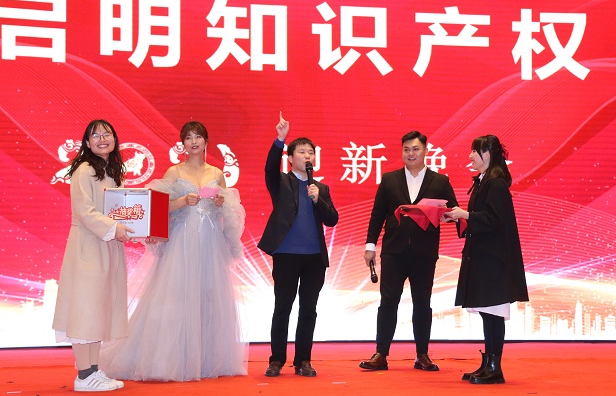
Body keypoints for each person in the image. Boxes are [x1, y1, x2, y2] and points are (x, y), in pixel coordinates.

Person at [99, 121, 247, 381]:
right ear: (182, 144)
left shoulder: (217, 173)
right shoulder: (174, 172)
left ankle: (207, 360)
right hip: (182, 241)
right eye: (188, 137)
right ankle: (169, 360)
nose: (194, 142)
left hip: (210, 242)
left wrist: (220, 203)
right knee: (176, 297)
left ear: (206, 142)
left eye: (198, 137)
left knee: (209, 297)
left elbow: (228, 211)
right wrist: (181, 201)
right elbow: (156, 208)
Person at [359, 131, 458, 372]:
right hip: (394, 250)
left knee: (422, 302)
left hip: (424, 252)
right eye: (406, 149)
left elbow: (453, 211)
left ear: (425, 151)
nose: (411, 153)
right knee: (388, 301)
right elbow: (377, 214)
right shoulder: (389, 179)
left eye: (415, 149)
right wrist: (370, 245)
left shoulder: (440, 181)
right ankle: (381, 354)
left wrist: (443, 214)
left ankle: (422, 355)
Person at [52, 119, 134, 392]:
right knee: (84, 310)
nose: (102, 139)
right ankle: (84, 375)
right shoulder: (84, 170)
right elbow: (85, 212)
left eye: (106, 134)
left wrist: (138, 227)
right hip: (88, 246)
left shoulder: (111, 171)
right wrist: (115, 228)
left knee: (98, 310)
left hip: (107, 246)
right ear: (87, 143)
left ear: (114, 139)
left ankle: (93, 370)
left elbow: (123, 209)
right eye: (95, 136)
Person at [258, 113, 339, 378]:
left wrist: (318, 199)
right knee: (282, 307)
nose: (307, 156)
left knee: (308, 310)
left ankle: (303, 360)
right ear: (290, 158)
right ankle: (276, 360)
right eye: (302, 152)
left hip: (314, 258)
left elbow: (332, 219)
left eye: (310, 152)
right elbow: (270, 167)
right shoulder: (281, 181)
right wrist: (280, 139)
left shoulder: (320, 188)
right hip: (286, 255)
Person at [445, 135, 529, 384]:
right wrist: (460, 217)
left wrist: (466, 215)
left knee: (493, 313)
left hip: (494, 261)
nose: (470, 156)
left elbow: (495, 220)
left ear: (488, 155)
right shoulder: (485, 181)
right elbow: (482, 218)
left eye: (475, 151)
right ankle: (488, 363)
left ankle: (495, 367)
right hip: (483, 257)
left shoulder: (496, 184)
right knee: (487, 312)